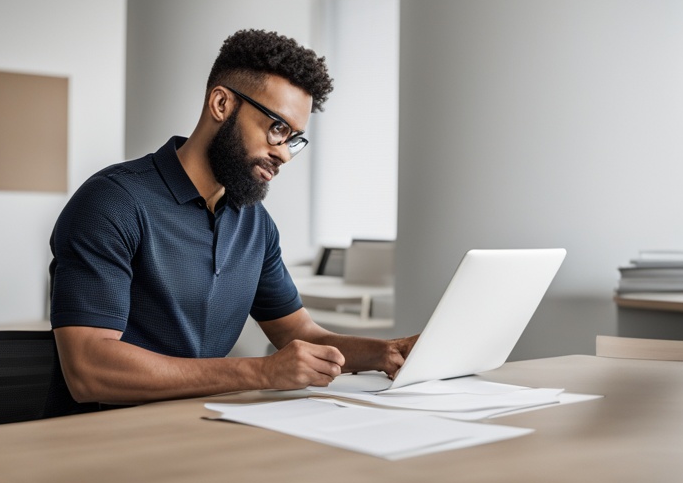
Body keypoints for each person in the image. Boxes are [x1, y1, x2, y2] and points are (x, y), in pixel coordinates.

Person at [45, 29, 416, 416]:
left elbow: (300, 335)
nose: (284, 155)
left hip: (204, 425)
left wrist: (386, 352)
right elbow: (88, 370)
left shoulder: (255, 224)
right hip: (103, 439)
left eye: (293, 140)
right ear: (221, 104)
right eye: (277, 129)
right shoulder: (112, 203)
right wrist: (262, 371)